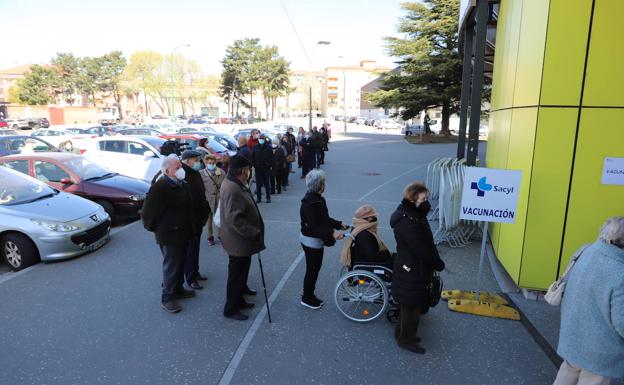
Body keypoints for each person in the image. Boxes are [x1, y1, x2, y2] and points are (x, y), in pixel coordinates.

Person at [553, 216, 624, 385]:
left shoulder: (584, 251)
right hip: (599, 352)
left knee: (566, 374)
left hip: (573, 337)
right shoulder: (620, 273)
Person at [390, 182, 445, 354]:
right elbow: (421, 248)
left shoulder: (414, 214)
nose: (427, 202)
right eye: (423, 199)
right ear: (413, 200)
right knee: (411, 306)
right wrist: (437, 263)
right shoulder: (407, 221)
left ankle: (402, 334)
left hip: (415, 267)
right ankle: (406, 340)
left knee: (410, 306)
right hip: (411, 268)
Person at [141, 154, 196, 313]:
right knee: (171, 266)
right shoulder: (160, 187)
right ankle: (168, 298)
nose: (181, 170)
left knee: (180, 264)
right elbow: (148, 214)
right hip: (169, 235)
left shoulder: (180, 183)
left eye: (180, 166)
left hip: (183, 231)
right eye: (177, 167)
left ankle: (178, 290)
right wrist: (158, 230)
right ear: (167, 171)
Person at [219, 155, 264, 321]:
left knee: (241, 272)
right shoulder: (232, 188)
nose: (249, 172)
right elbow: (234, 219)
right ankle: (230, 308)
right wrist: (253, 232)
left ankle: (239, 299)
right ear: (242, 171)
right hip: (238, 240)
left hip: (240, 241)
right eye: (248, 169)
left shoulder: (236, 183)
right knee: (236, 276)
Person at [299, 169, 347, 309]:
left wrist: (338, 224)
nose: (324, 185)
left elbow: (324, 219)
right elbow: (312, 228)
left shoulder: (318, 199)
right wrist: (332, 232)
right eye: (323, 183)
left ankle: (309, 294)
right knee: (312, 270)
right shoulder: (309, 203)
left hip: (315, 240)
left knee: (314, 268)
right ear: (319, 185)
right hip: (310, 241)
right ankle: (306, 297)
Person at [180, 150, 211, 290]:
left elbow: (200, 194)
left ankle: (195, 272)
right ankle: (191, 278)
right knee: (191, 249)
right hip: (190, 219)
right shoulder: (184, 174)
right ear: (187, 161)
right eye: (196, 159)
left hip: (198, 218)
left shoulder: (194, 173)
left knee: (195, 247)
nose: (199, 162)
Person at [340, 205, 393, 269]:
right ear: (369, 218)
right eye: (373, 216)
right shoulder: (365, 235)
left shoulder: (358, 228)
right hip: (370, 265)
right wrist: (387, 253)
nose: (375, 217)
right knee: (402, 264)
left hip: (365, 260)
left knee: (400, 258)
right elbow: (373, 257)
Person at [200, 153, 225, 246]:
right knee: (208, 220)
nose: (211, 164)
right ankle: (210, 237)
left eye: (213, 162)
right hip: (207, 199)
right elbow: (200, 187)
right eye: (209, 163)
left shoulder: (221, 172)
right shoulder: (201, 173)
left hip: (219, 199)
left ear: (215, 162)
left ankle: (220, 235)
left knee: (219, 218)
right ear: (206, 163)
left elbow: (225, 185)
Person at [252, 133, 273, 203]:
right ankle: (258, 198)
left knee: (267, 184)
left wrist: (268, 165)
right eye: (260, 139)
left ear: (264, 139)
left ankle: (268, 197)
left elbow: (271, 158)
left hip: (266, 168)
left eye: (262, 139)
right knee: (258, 184)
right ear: (258, 139)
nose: (261, 140)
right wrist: (255, 165)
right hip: (258, 168)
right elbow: (253, 157)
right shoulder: (255, 147)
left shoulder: (268, 147)